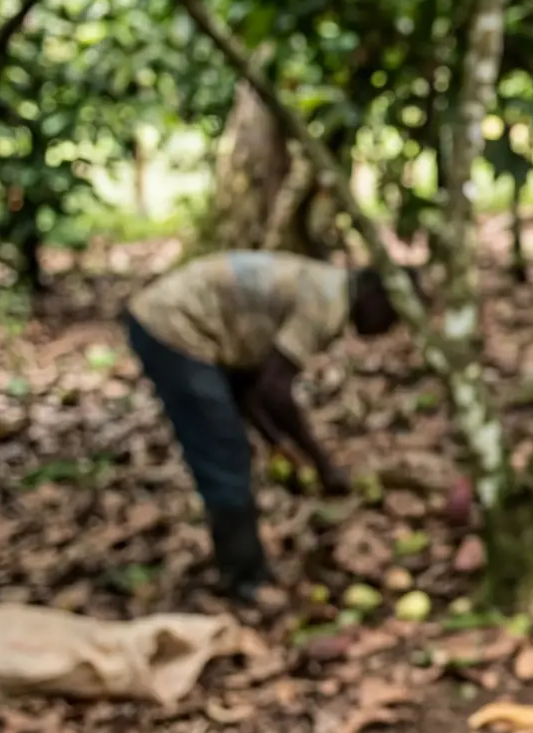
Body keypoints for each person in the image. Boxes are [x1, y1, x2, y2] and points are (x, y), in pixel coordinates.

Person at [124, 250, 399, 601]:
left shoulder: (327, 284)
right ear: (377, 296)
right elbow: (274, 389)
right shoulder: (326, 305)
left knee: (226, 441)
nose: (389, 327)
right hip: (174, 325)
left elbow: (250, 384)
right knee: (224, 451)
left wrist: (278, 444)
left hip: (171, 317)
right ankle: (245, 579)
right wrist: (322, 462)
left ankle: (245, 569)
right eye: (393, 314)